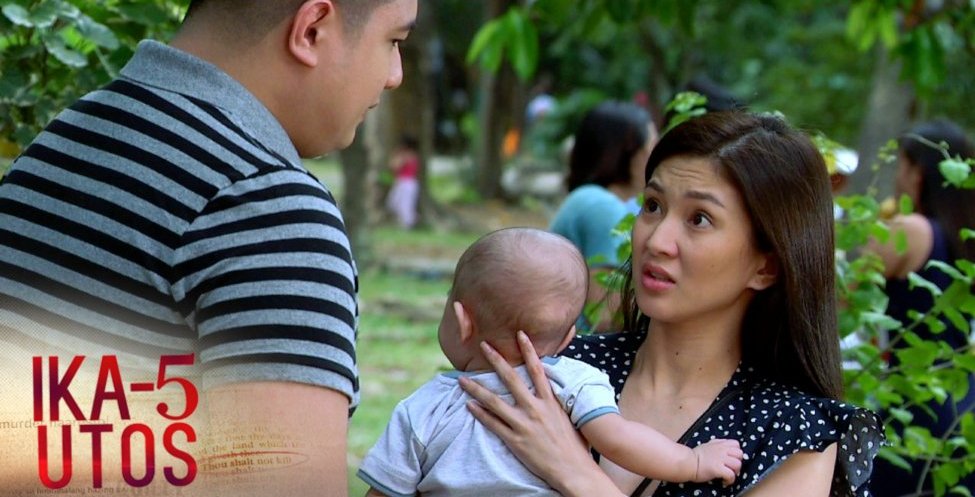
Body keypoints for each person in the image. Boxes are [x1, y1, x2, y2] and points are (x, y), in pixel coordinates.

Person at [0, 0, 417, 495]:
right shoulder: (267, 208)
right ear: (312, 30)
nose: (395, 76)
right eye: (393, 41)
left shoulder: (61, 142)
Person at [460, 111, 885, 497]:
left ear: (766, 266)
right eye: (653, 206)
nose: (657, 240)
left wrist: (575, 474)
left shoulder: (795, 433)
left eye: (699, 219)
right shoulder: (555, 365)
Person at [358, 227, 743, 497]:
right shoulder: (572, 381)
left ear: (462, 321)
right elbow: (621, 440)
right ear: (568, 339)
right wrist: (692, 461)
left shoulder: (424, 409)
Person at [866, 119, 975, 495]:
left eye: (900, 166)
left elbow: (838, 295)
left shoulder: (909, 230)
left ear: (917, 172)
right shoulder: (966, 238)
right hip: (962, 401)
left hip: (913, 402)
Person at [549, 100, 659, 331]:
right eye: (652, 147)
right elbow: (604, 316)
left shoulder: (589, 198)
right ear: (629, 155)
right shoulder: (602, 206)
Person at [384, 134, 421, 228]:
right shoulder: (414, 155)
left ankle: (408, 224)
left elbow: (393, 166)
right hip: (409, 183)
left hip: (405, 183)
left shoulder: (405, 156)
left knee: (402, 205)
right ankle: (409, 220)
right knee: (396, 203)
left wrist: (395, 154)